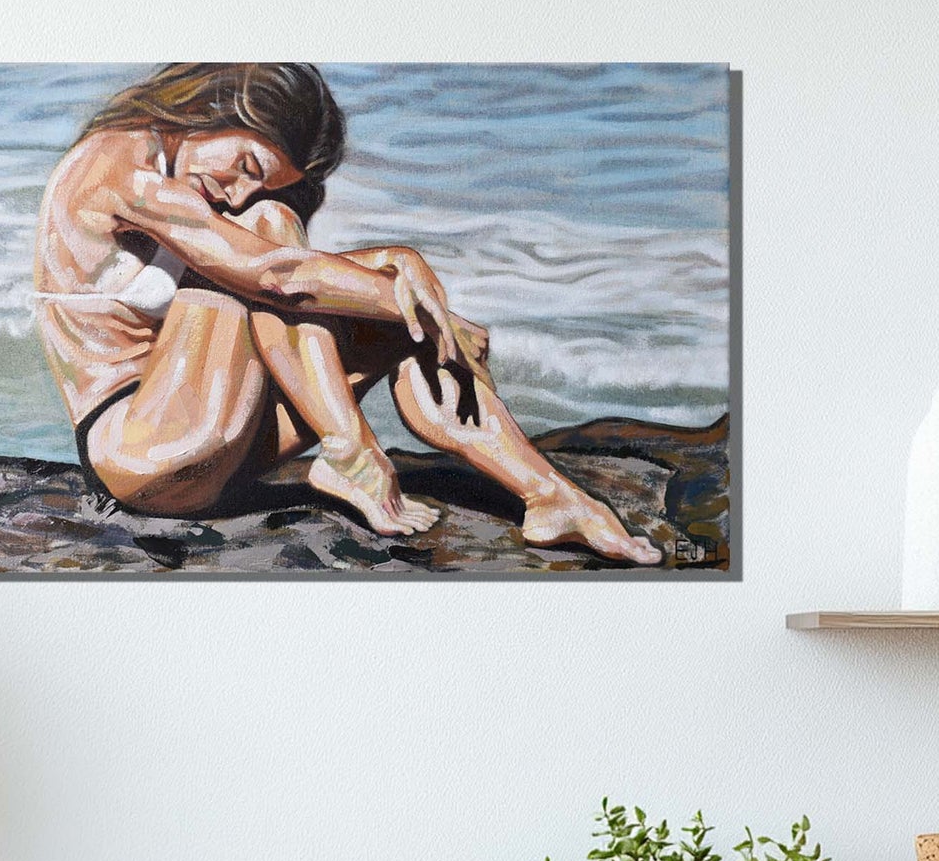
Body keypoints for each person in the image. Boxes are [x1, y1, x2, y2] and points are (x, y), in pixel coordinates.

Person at [32, 62, 661, 563]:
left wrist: (397, 264)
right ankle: (353, 454)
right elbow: (273, 272)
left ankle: (551, 497)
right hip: (139, 452)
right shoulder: (113, 161)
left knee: (395, 315)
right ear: (214, 108)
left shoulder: (195, 191)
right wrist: (413, 298)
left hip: (222, 439)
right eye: (247, 165)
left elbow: (281, 275)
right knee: (279, 234)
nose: (240, 191)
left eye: (259, 182)